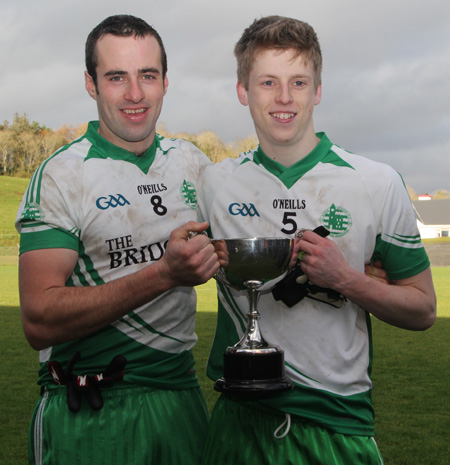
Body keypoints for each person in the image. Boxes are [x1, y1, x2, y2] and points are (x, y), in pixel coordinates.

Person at [198, 15, 436, 465]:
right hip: (239, 420)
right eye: (268, 82)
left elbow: (423, 309)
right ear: (242, 91)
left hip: (336, 424)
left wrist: (347, 279)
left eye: (299, 82)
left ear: (318, 90)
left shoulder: (375, 182)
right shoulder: (214, 183)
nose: (284, 98)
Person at [15, 14, 219, 465]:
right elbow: (39, 320)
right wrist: (164, 274)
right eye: (116, 78)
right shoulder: (62, 175)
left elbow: (244, 246)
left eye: (147, 75)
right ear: (91, 84)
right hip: (89, 409)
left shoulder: (192, 163)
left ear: (166, 81)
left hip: (179, 400)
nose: (134, 94)